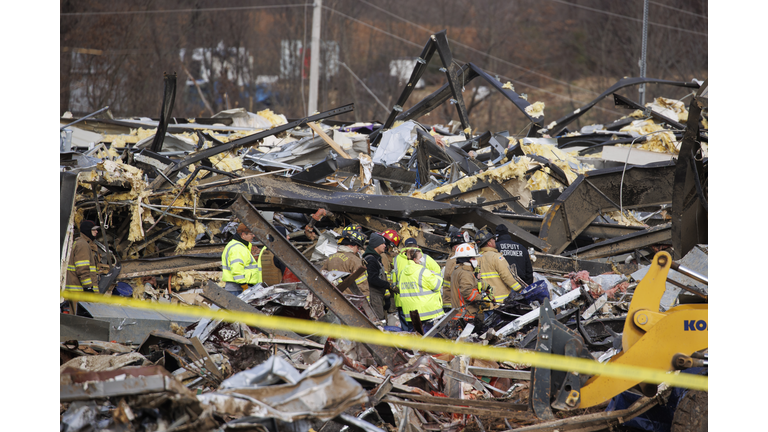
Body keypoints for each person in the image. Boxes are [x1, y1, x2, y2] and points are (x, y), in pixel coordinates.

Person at [392, 237, 441, 329]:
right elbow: (438, 277)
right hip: (425, 304)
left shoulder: (396, 259)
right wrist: (435, 276)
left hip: (404, 301)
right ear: (417, 247)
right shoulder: (425, 258)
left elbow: (394, 280)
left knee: (409, 332)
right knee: (427, 333)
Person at [475, 227, 522, 304]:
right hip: (499, 301)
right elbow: (506, 275)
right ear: (489, 243)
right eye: (492, 239)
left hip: (484, 302)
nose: (494, 240)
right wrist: (519, 289)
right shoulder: (496, 257)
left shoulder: (475, 258)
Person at [322, 228, 369, 298]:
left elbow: (322, 276)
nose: (357, 250)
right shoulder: (354, 259)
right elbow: (362, 284)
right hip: (350, 300)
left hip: (331, 298)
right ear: (352, 245)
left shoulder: (330, 258)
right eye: (357, 247)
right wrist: (366, 301)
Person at [65, 220, 101, 312]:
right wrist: (88, 287)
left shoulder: (83, 244)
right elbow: (82, 269)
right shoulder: (83, 245)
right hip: (80, 291)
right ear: (87, 230)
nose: (96, 232)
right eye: (94, 230)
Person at [449, 243, 490, 320]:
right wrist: (482, 299)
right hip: (467, 315)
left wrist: (479, 280)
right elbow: (467, 292)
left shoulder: (459, 270)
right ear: (466, 259)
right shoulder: (465, 273)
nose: (475, 260)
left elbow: (471, 286)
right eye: (473, 258)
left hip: (461, 314)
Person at [221, 223, 266, 295]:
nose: (253, 236)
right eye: (251, 234)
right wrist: (244, 285)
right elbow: (237, 269)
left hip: (237, 287)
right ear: (243, 235)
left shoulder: (238, 246)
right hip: (238, 288)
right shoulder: (238, 248)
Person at [441, 227, 471, 312]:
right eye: (463, 245)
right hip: (453, 304)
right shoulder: (455, 260)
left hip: (453, 302)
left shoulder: (455, 258)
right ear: (455, 247)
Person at [363, 233, 389, 321]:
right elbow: (372, 279)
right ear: (375, 245)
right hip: (374, 295)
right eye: (382, 244)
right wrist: (387, 285)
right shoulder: (371, 259)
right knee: (378, 319)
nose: (385, 246)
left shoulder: (376, 258)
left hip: (379, 295)